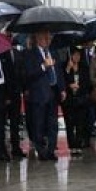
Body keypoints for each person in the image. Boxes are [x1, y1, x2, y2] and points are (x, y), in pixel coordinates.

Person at [24, 30, 66, 160]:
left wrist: (62, 89)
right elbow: (29, 75)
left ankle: (51, 151)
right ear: (37, 38)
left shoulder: (53, 53)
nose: (48, 39)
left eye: (49, 37)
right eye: (45, 37)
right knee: (39, 124)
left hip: (53, 92)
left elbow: (58, 72)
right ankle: (41, 151)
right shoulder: (30, 54)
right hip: (39, 94)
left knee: (53, 124)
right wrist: (43, 66)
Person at [62, 47, 90, 155]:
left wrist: (79, 87)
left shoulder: (84, 67)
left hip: (81, 99)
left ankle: (78, 145)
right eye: (74, 55)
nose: (76, 57)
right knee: (69, 124)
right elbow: (62, 81)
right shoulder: (65, 66)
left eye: (78, 55)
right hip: (69, 100)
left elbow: (87, 83)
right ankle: (72, 145)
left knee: (80, 124)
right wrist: (68, 71)